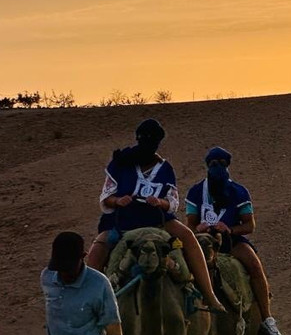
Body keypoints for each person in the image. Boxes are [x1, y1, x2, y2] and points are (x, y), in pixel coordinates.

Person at [86, 119, 226, 312]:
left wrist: (160, 202)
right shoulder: (121, 164)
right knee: (97, 250)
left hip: (157, 220)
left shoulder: (165, 169)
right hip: (124, 219)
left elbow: (172, 202)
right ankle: (88, 304)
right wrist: (118, 201)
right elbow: (106, 196)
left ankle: (210, 297)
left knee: (188, 237)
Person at [185, 146, 284, 335]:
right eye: (213, 164)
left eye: (221, 164)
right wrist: (201, 227)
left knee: (255, 267)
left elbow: (249, 225)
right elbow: (190, 223)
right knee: (181, 267)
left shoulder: (239, 192)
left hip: (231, 242)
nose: (217, 168)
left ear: (228, 166)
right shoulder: (196, 192)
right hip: (204, 241)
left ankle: (267, 318)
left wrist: (229, 229)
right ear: (207, 166)